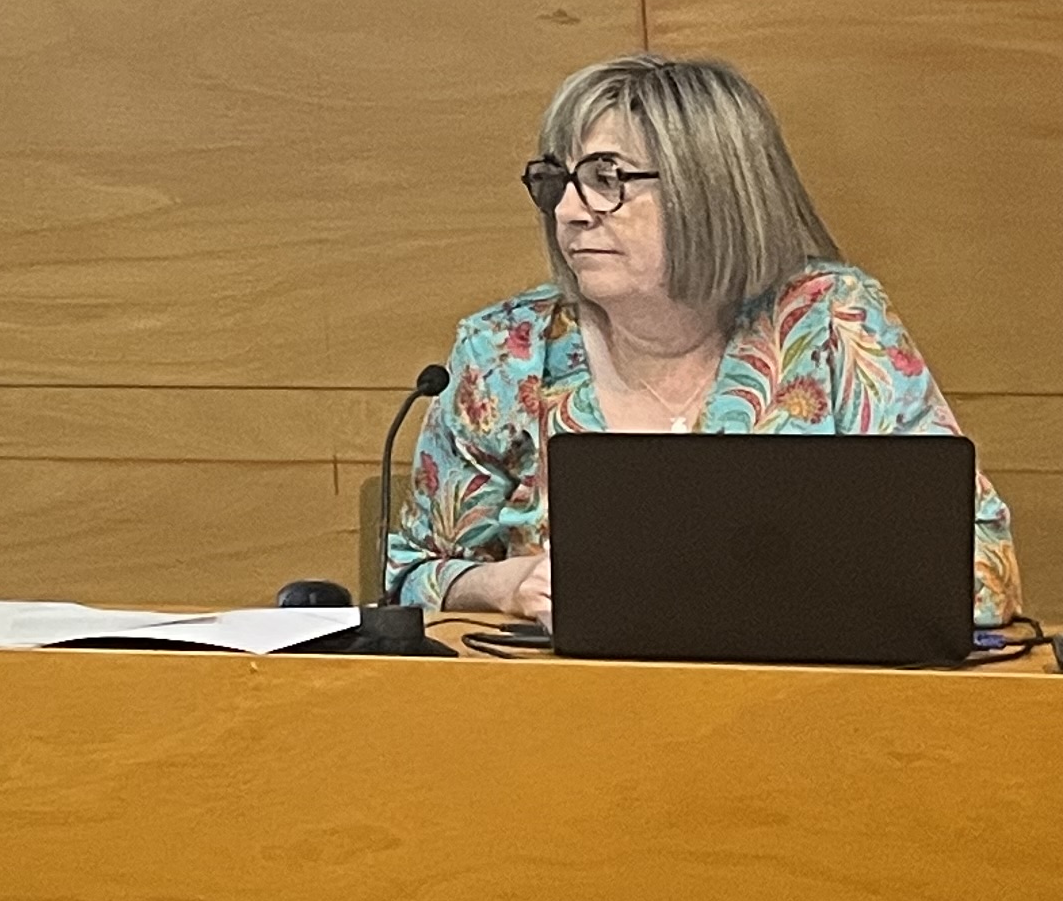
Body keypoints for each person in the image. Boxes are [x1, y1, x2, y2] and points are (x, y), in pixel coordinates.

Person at [390, 51, 1021, 627]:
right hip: (567, 702)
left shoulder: (831, 323)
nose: (568, 211)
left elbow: (982, 570)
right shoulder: (505, 352)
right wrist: (506, 585)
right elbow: (407, 578)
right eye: (558, 181)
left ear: (709, 188)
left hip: (798, 699)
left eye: (607, 179)